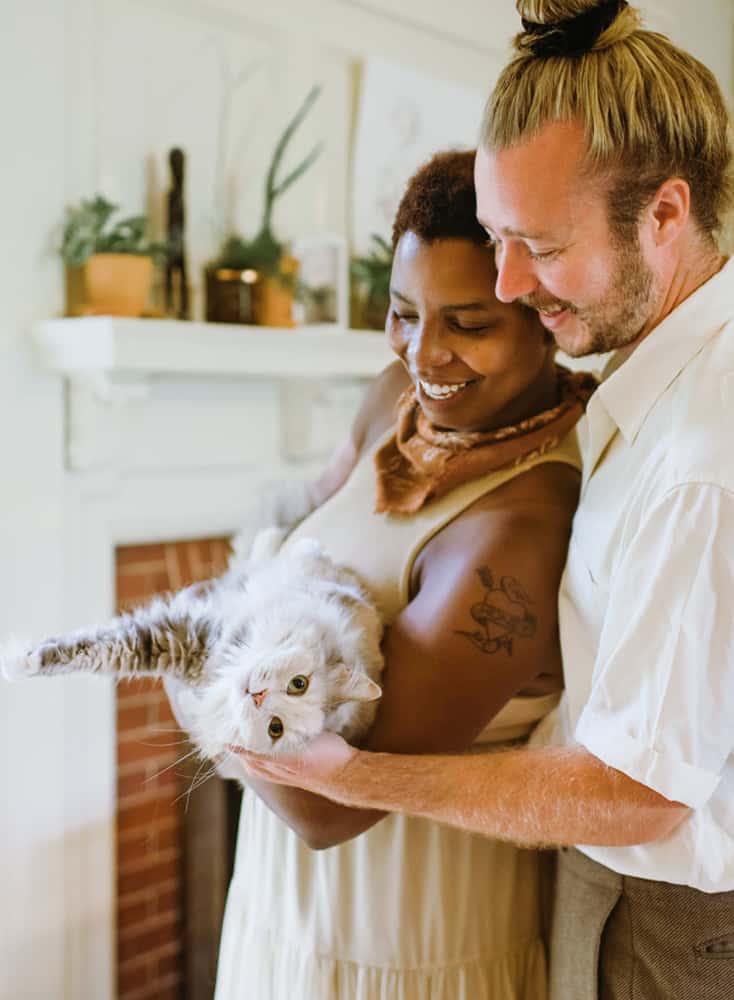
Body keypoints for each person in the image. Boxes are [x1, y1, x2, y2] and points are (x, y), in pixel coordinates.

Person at [239, 3, 734, 998]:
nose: (514, 284)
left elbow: (636, 793)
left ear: (666, 215)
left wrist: (353, 773)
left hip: (670, 931)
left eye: (540, 248)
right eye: (500, 241)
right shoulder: (632, 392)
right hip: (587, 887)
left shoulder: (702, 457)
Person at [208, 149, 595, 999]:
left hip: (406, 942)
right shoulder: (397, 399)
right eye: (402, 311)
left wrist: (191, 653)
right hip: (283, 909)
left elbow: (326, 808)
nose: (426, 352)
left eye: (470, 322)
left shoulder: (517, 531)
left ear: (546, 316)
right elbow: (296, 519)